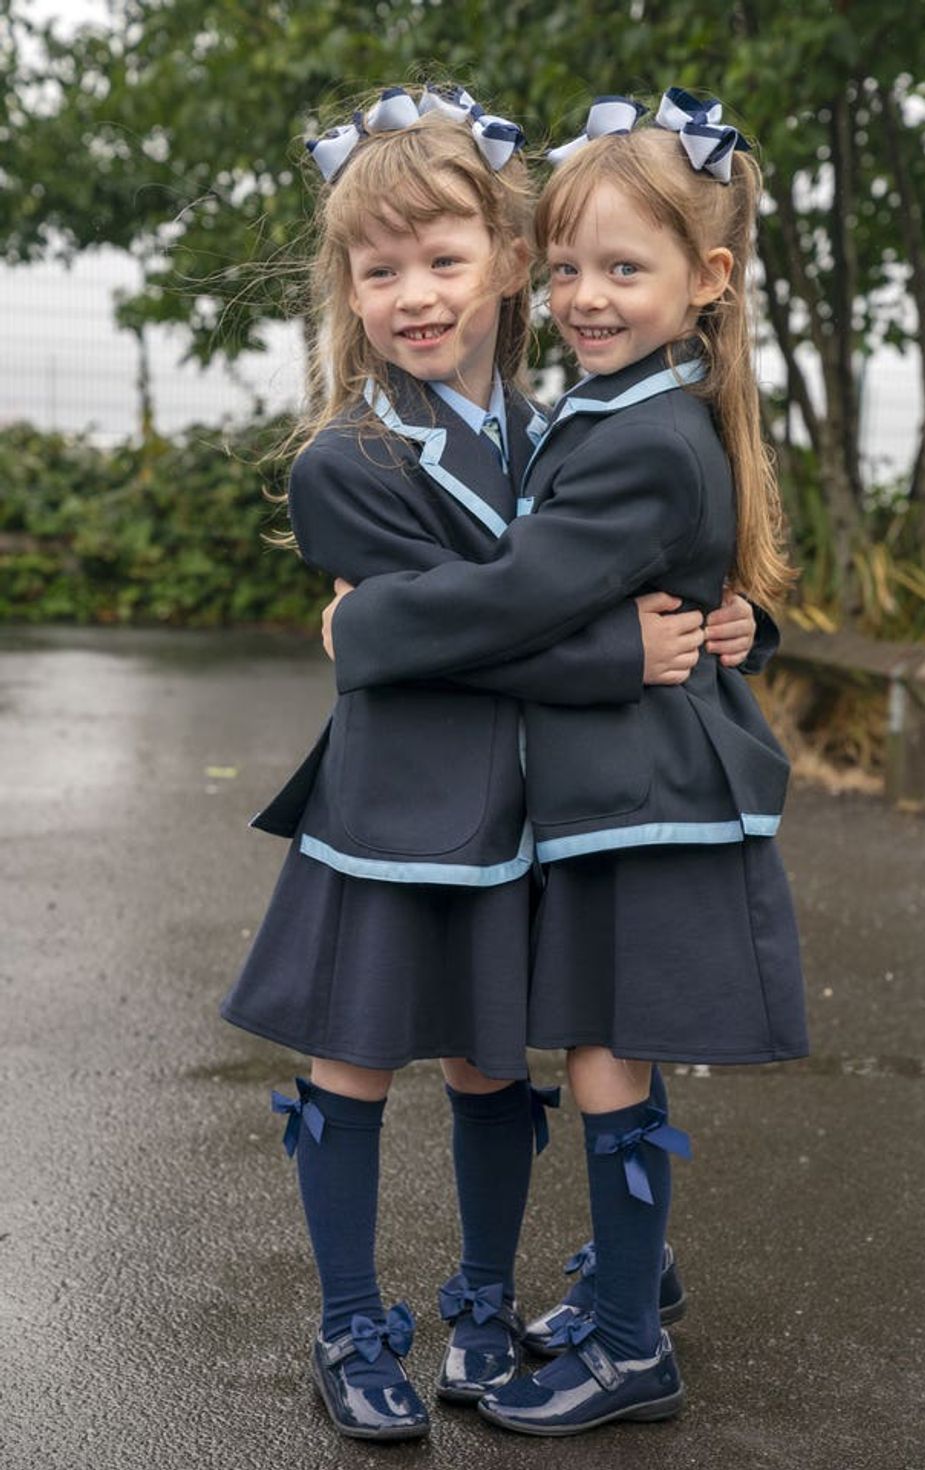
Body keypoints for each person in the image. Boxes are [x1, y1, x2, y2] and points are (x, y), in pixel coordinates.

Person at [220, 85, 763, 1443]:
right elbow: (491, 623)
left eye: (445, 259)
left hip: (511, 810)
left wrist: (727, 621)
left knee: (485, 1063)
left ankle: (478, 1303)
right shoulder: (342, 461)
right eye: (379, 266)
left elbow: (607, 561)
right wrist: (604, 656)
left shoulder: (564, 416)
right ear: (344, 281)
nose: (412, 294)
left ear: (507, 263)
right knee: (348, 1057)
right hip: (390, 803)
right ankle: (351, 1323)